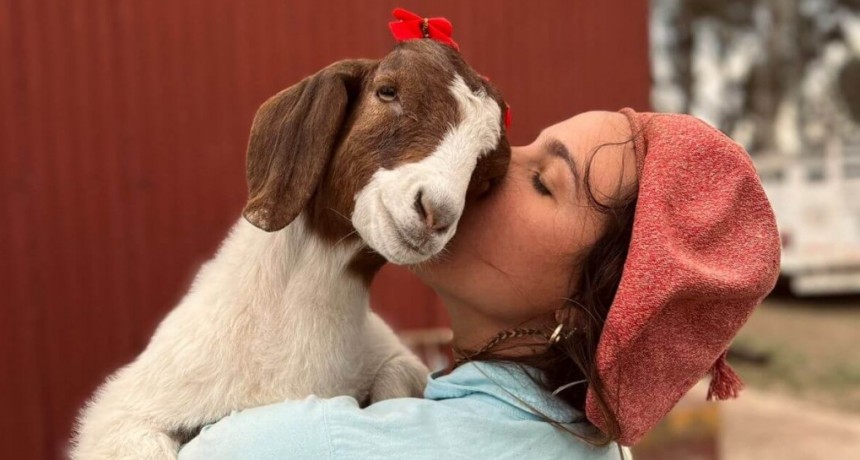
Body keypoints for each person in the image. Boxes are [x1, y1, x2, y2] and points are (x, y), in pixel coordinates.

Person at [177, 108, 781, 459]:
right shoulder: (590, 444)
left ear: (592, 304)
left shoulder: (301, 447)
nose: (494, 160)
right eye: (526, 144)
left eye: (543, 182)